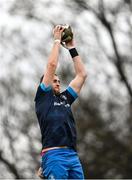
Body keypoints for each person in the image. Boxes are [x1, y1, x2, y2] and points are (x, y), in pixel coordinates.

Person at [34, 25, 87, 179]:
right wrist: (57, 40)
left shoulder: (65, 98)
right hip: (54, 155)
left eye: (59, 80)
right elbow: (51, 65)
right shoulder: (43, 97)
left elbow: (82, 75)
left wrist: (72, 48)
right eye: (53, 80)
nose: (57, 83)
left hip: (72, 156)